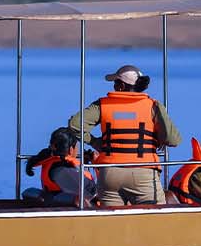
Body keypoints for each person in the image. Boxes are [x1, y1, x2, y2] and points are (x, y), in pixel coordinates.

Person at [67, 64, 181, 206]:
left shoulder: (102, 105)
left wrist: (95, 142)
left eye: (115, 83)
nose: (113, 86)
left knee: (112, 222)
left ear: (121, 86)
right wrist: (158, 138)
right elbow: (173, 140)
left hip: (110, 174)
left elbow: (75, 124)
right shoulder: (153, 106)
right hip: (143, 174)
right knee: (153, 221)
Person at [24, 127, 97, 203]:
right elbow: (93, 192)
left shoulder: (53, 162)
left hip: (57, 200)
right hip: (73, 207)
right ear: (71, 149)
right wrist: (98, 166)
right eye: (77, 146)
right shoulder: (62, 170)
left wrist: (86, 163)